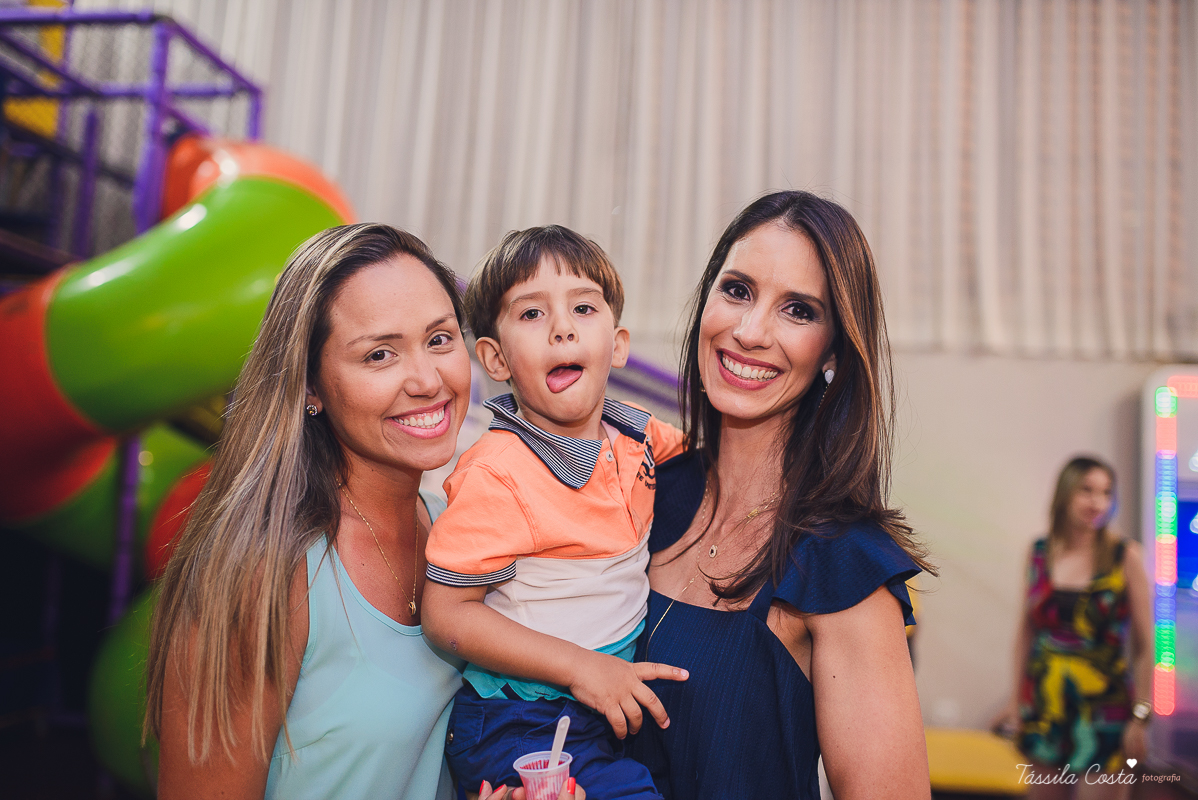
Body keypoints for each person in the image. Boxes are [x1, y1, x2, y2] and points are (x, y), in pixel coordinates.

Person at [143, 223, 577, 800]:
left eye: (441, 339)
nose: (428, 380)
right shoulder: (264, 571)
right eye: (379, 354)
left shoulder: (457, 525)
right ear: (310, 386)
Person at [627, 190, 934, 799]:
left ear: (834, 354)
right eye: (737, 290)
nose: (749, 331)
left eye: (798, 310)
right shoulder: (642, 489)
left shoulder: (841, 563)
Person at [422, 226, 688, 798]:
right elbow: (446, 616)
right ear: (495, 359)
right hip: (519, 722)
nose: (563, 327)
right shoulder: (498, 471)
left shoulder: (636, 433)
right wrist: (580, 668)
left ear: (616, 345)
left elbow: (714, 459)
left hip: (600, 708)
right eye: (533, 314)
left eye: (583, 308)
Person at [993, 456, 1153, 798]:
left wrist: (1140, 717)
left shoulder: (1124, 556)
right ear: (1065, 493)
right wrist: (1015, 702)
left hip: (1105, 710)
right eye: (1087, 490)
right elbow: (1025, 633)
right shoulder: (1039, 552)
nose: (1097, 502)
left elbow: (1145, 646)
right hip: (1045, 704)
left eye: (1106, 493)